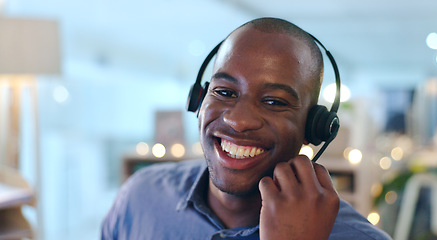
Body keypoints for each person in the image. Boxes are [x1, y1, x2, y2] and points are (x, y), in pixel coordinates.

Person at [102, 17, 392, 240]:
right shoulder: (140, 198)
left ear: (315, 127)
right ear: (199, 101)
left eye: (274, 101)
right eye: (225, 92)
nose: (238, 121)